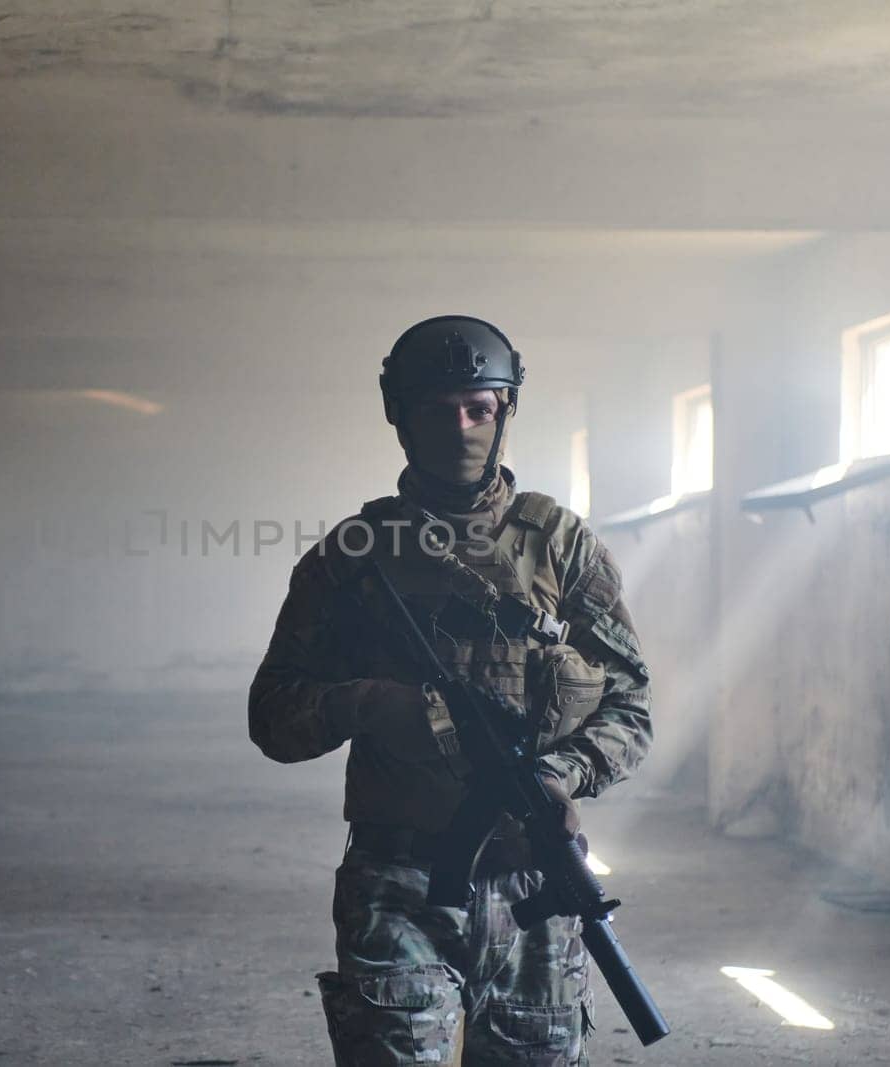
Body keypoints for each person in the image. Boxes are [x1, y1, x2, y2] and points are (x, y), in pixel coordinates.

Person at [248, 315, 653, 1066]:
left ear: (505, 411)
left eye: (479, 407)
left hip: (533, 880)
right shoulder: (352, 558)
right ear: (399, 415)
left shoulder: (561, 546)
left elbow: (631, 700)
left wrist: (558, 775)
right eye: (437, 409)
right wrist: (366, 703)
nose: (460, 426)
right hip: (397, 880)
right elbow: (272, 717)